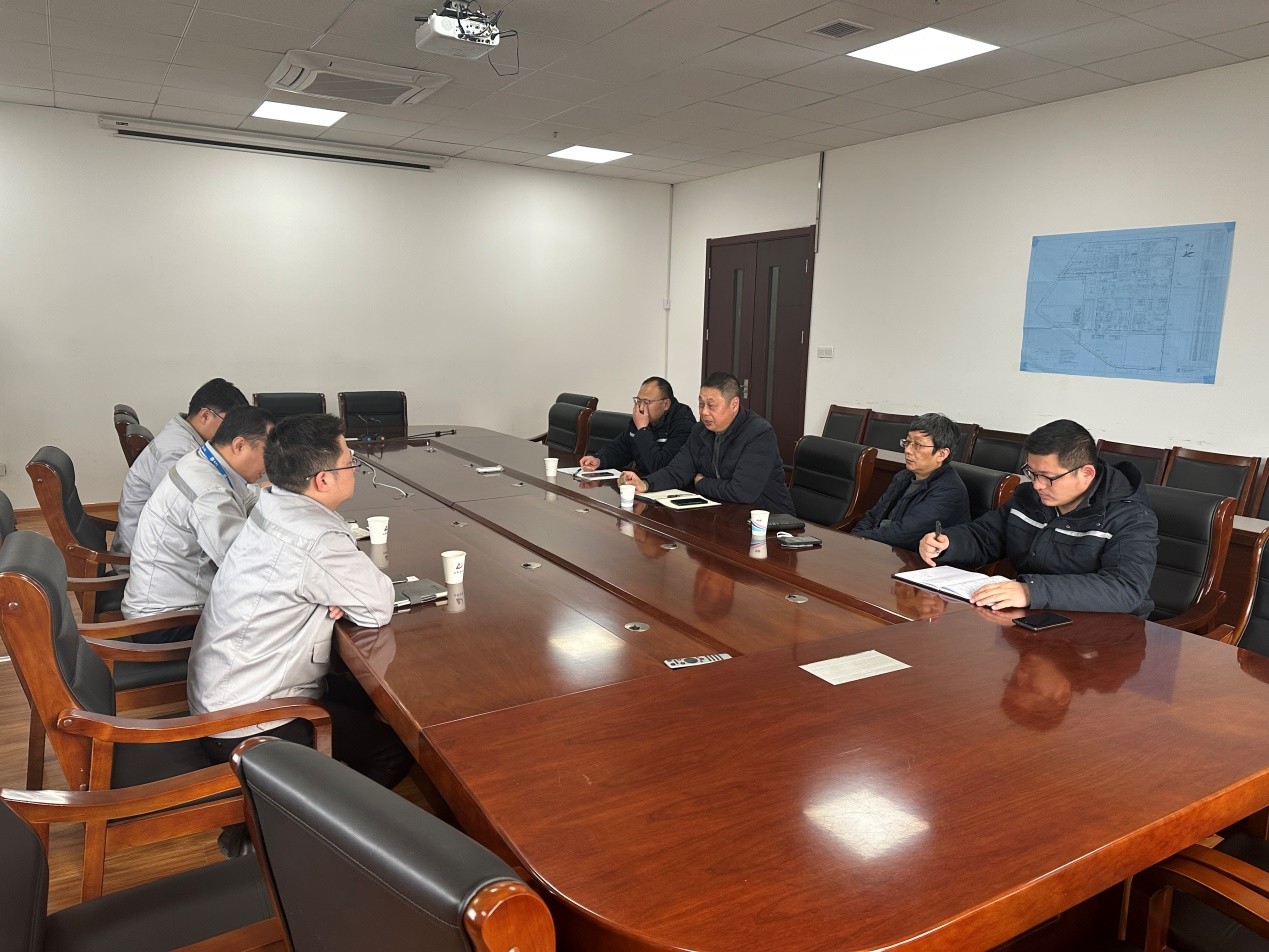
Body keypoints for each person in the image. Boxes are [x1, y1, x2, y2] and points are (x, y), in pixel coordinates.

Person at [188, 413, 412, 790]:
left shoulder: (271, 503)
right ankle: (323, 816)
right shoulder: (315, 538)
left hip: (225, 693)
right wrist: (336, 595)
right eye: (350, 462)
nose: (355, 469)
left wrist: (332, 594)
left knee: (361, 694)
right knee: (393, 752)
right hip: (247, 724)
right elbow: (376, 607)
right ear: (323, 480)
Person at [918, 419, 1158, 616]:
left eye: (1047, 477)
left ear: (1086, 473)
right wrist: (949, 542)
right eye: (1031, 473)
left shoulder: (1131, 517)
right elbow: (987, 536)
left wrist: (1031, 591)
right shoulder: (1029, 497)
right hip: (1037, 617)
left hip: (1106, 633)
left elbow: (1124, 588)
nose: (1037, 485)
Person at [121, 406, 274, 635]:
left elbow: (244, 496)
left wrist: (282, 494)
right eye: (267, 453)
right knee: (286, 617)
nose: (271, 464)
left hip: (163, 604)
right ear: (239, 445)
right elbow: (242, 563)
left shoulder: (202, 461)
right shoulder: (207, 490)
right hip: (166, 623)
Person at [619, 372, 795, 515]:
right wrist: (645, 484)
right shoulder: (699, 431)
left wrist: (702, 483)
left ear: (734, 404)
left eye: (712, 406)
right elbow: (676, 471)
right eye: (701, 404)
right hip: (724, 515)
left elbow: (742, 492)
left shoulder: (758, 434)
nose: (704, 412)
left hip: (770, 522)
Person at [113, 378, 249, 554]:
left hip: (149, 538)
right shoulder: (178, 452)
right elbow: (196, 513)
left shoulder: (182, 434)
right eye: (230, 424)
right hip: (142, 552)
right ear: (205, 416)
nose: (232, 433)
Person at [851, 412, 970, 550]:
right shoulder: (903, 477)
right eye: (907, 442)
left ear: (941, 454)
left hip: (911, 557)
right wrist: (854, 538)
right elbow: (873, 515)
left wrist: (859, 539)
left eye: (918, 445)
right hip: (880, 547)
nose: (907, 450)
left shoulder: (950, 491)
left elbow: (904, 534)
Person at [579, 376, 695, 476]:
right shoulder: (642, 420)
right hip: (643, 482)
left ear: (666, 404)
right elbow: (621, 449)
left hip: (674, 488)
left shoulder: (683, 424)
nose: (641, 407)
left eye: (647, 402)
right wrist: (599, 460)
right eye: (638, 401)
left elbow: (660, 467)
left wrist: (643, 430)